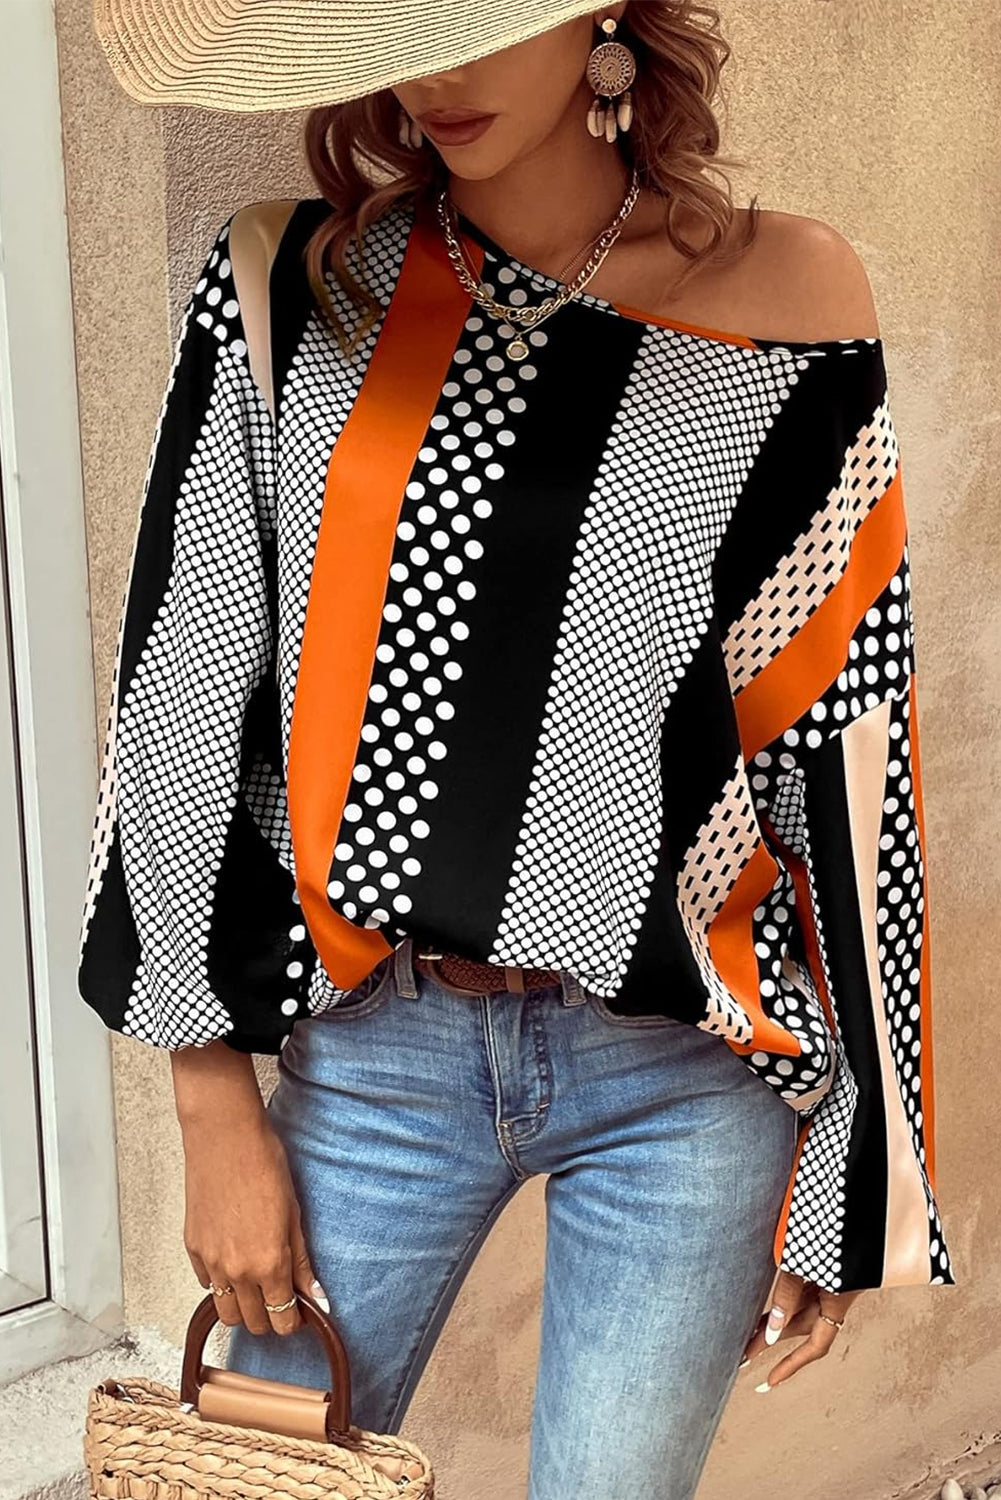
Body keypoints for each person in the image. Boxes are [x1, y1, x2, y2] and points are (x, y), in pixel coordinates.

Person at [81, 1, 955, 1494]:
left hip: (684, 1074)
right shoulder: (287, 286)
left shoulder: (792, 295)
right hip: (380, 1054)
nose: (439, 69)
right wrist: (206, 1096)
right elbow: (184, 685)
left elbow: (842, 734)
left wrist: (858, 1162)